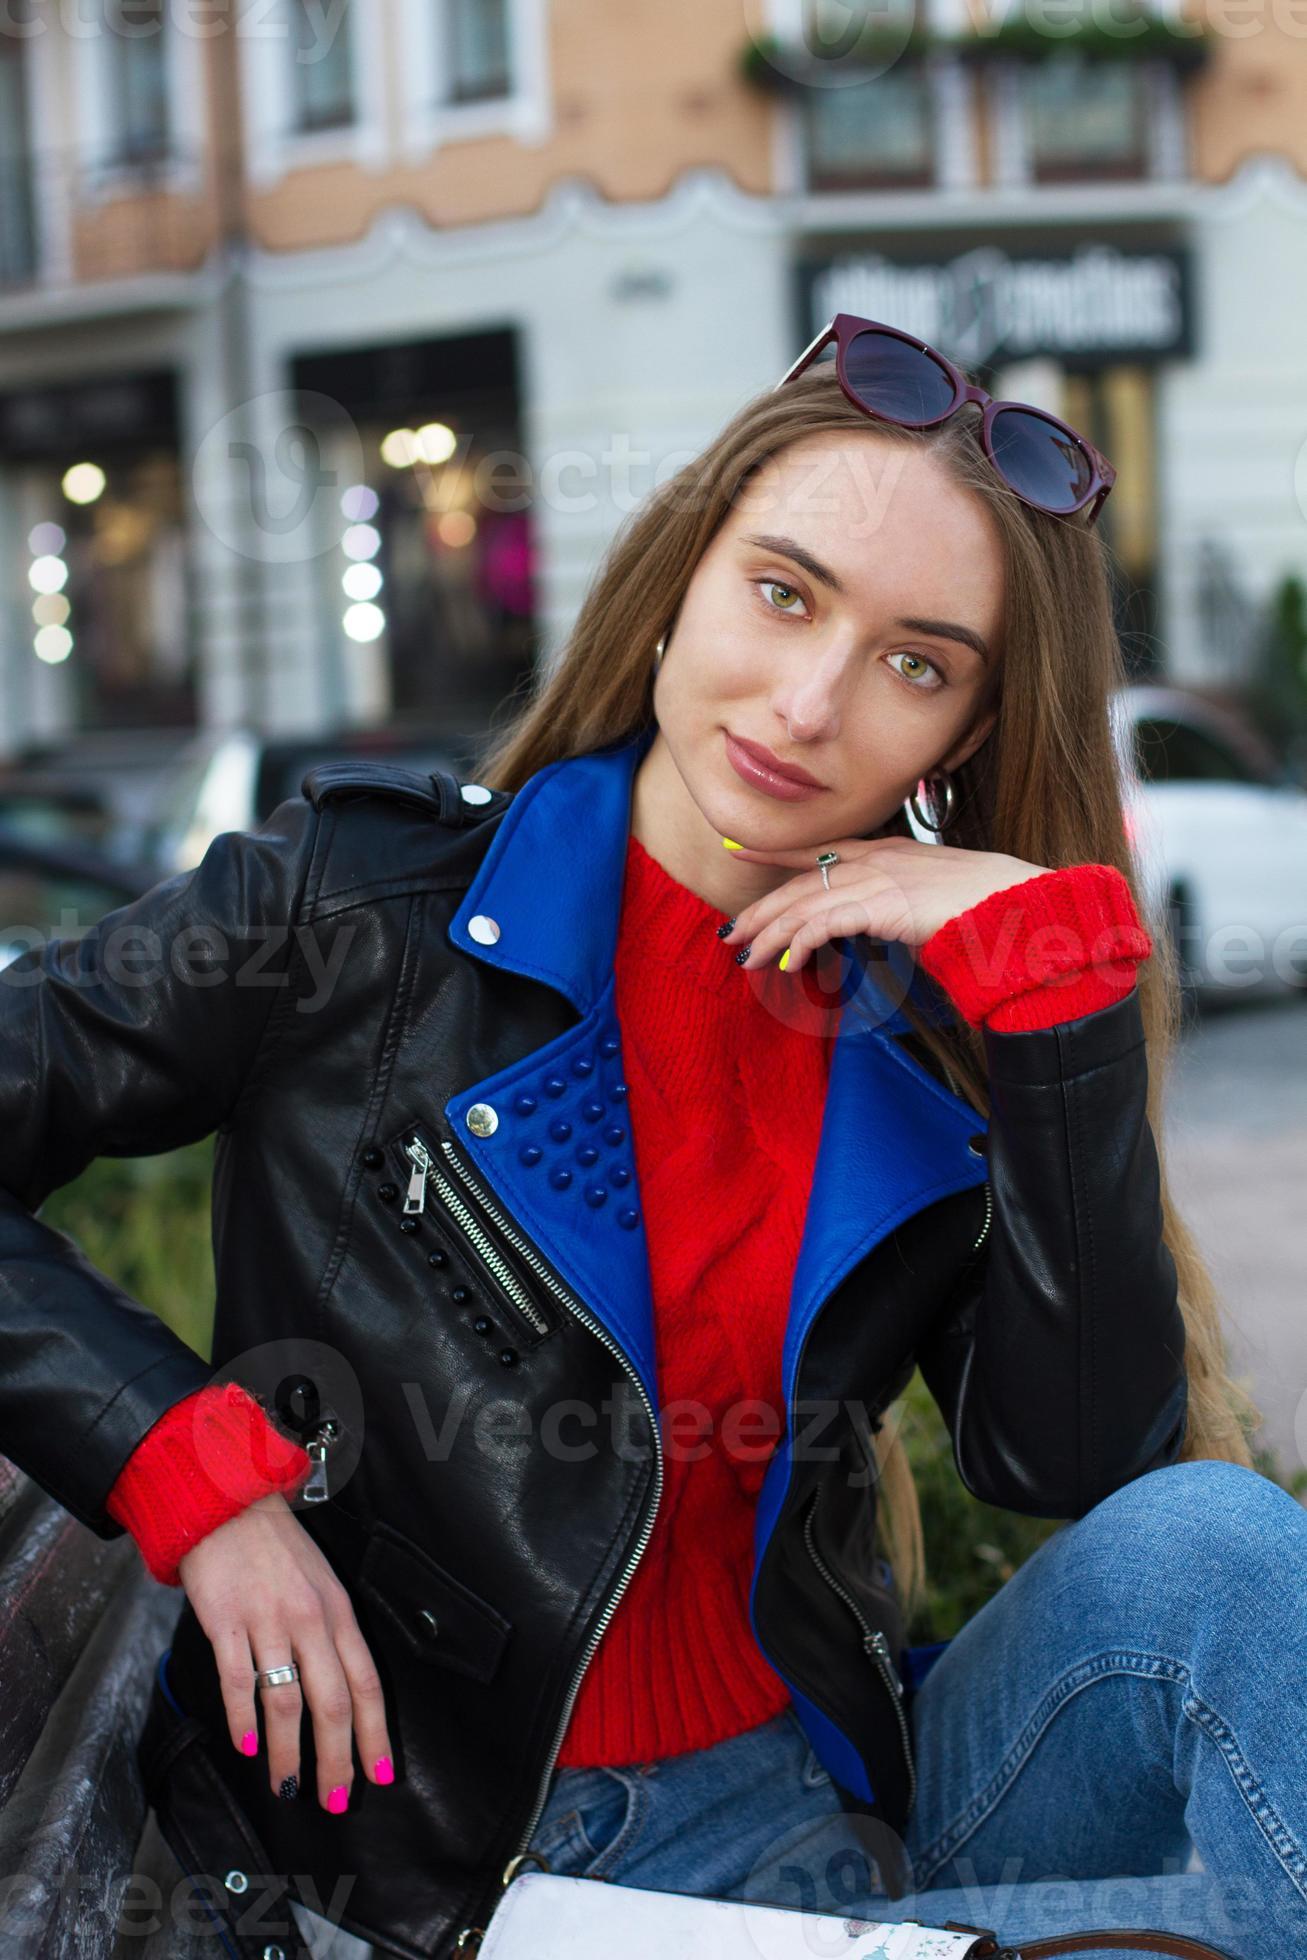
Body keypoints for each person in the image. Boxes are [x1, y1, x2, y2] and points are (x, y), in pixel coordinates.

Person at [0, 322, 1299, 1960]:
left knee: (1223, 1550)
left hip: (807, 1809)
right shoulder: (354, 912)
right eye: (784, 592)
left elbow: (1074, 1462)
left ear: (965, 735)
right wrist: (190, 1470)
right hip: (440, 1860)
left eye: (917, 663)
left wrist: (1055, 1017)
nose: (811, 702)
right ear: (684, 573)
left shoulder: (925, 1041)